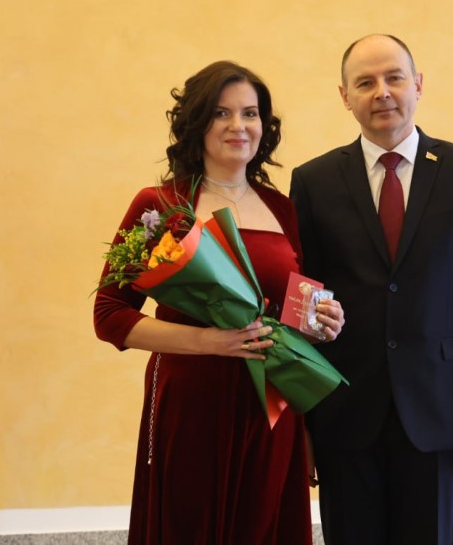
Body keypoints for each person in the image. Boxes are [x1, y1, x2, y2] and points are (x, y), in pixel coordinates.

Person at [94, 60, 345, 544]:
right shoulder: (159, 206)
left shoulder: (282, 208)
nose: (238, 126)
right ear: (197, 123)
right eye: (221, 113)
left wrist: (322, 321)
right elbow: (109, 316)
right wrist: (211, 341)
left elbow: (291, 311)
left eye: (250, 114)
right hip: (192, 403)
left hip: (272, 406)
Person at [289, 34, 453, 544]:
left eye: (394, 78)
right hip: (343, 414)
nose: (382, 92)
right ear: (345, 96)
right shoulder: (314, 181)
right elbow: (302, 304)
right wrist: (300, 417)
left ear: (417, 84)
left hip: (440, 412)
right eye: (364, 83)